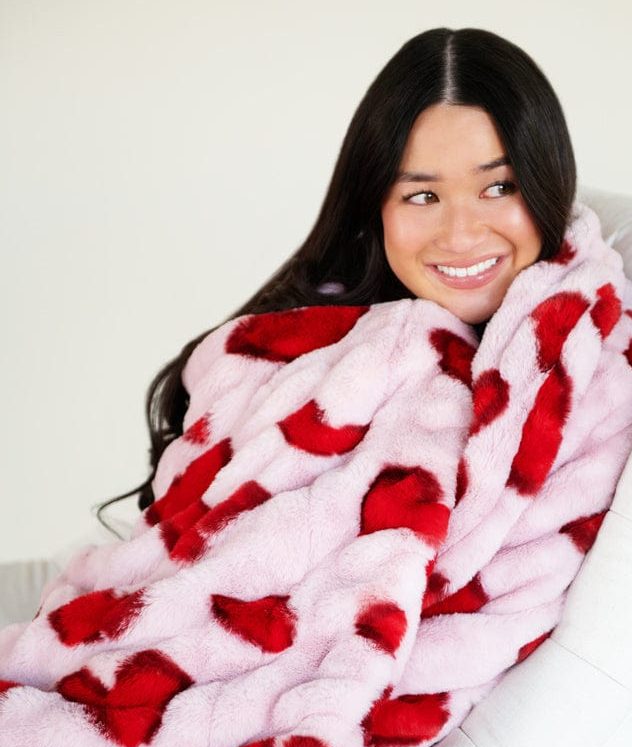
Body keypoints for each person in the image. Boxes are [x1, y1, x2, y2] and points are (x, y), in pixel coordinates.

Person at [94, 25, 577, 535]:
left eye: (499, 187)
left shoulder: (591, 349)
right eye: (422, 196)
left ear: (549, 180)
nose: (460, 235)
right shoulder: (285, 360)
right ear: (375, 206)